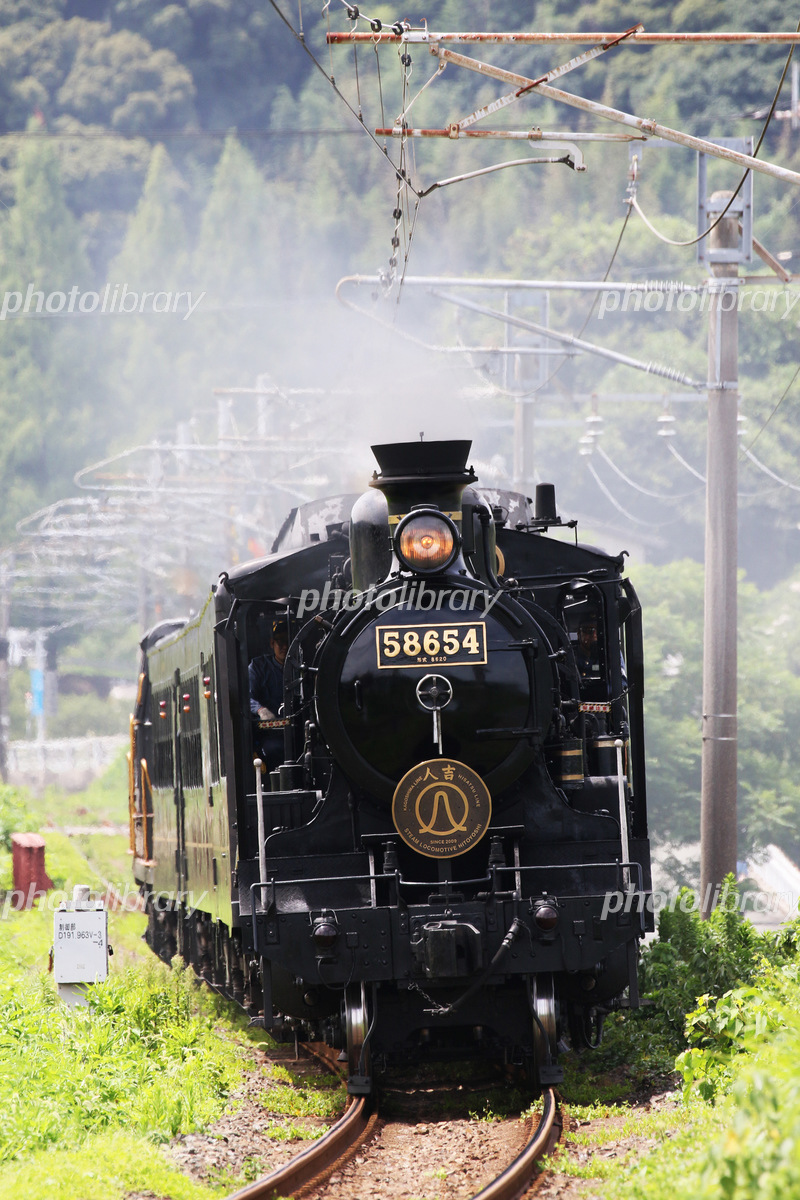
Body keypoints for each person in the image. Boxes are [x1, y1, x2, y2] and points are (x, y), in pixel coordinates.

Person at [249, 618, 289, 770]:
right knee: (272, 750)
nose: (285, 646)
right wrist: (260, 710)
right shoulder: (258, 667)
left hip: (301, 734)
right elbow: (247, 696)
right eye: (280, 641)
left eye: (288, 641)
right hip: (271, 736)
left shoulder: (305, 666)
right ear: (272, 643)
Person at [573, 613, 600, 680]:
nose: (594, 635)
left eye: (599, 631)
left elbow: (621, 682)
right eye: (589, 630)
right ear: (579, 634)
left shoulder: (610, 654)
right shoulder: (570, 656)